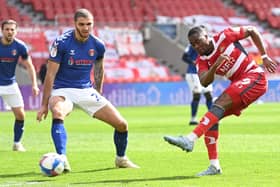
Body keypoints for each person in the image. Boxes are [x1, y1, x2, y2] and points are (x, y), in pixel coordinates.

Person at [164, 25, 278, 176]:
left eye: (198, 41)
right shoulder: (201, 61)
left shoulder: (224, 36)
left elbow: (252, 30)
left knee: (218, 103)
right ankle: (214, 166)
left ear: (206, 36)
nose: (197, 46)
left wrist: (263, 56)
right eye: (193, 44)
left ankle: (190, 139)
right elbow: (204, 81)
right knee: (212, 118)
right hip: (239, 83)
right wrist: (215, 66)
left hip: (254, 76)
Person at [36, 8, 139, 172]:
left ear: (93, 24)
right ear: (75, 24)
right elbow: (50, 74)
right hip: (62, 89)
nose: (85, 28)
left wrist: (98, 92)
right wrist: (44, 104)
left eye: (89, 24)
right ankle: (62, 158)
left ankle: (121, 159)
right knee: (58, 112)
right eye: (81, 24)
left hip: (85, 90)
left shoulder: (98, 45)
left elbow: (99, 70)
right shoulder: (61, 43)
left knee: (122, 125)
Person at [0, 19, 39, 151]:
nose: (10, 32)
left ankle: (17, 143)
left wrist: (34, 84)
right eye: (7, 29)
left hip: (10, 84)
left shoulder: (20, 46)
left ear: (16, 31)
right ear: (2, 30)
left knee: (21, 115)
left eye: (12, 29)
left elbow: (29, 66)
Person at [182, 43, 213, 125]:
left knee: (208, 95)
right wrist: (194, 62)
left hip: (204, 73)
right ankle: (193, 119)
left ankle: (212, 118)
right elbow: (184, 57)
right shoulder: (192, 45)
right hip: (193, 73)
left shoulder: (209, 44)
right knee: (197, 95)